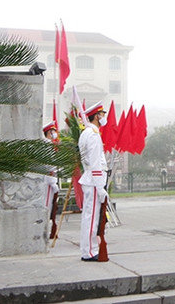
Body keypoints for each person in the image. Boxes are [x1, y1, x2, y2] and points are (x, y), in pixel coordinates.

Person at [78, 103, 109, 261]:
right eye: (102, 114)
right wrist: (100, 186)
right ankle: (89, 252)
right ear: (96, 116)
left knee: (88, 216)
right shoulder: (93, 134)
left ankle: (87, 249)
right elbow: (95, 162)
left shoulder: (86, 133)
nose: (104, 117)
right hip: (94, 180)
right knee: (92, 218)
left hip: (90, 178)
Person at [42, 121, 60, 239]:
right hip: (48, 181)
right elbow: (49, 166)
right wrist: (53, 183)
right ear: (49, 132)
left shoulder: (47, 145)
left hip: (47, 180)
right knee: (47, 207)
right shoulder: (47, 145)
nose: (55, 133)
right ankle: (46, 231)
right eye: (53, 131)